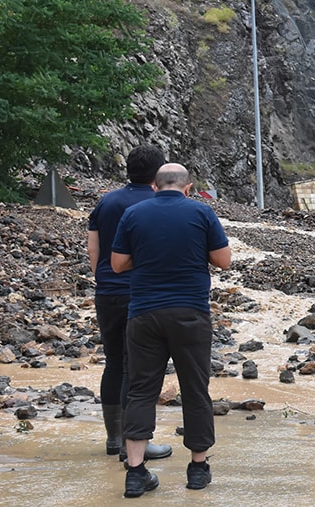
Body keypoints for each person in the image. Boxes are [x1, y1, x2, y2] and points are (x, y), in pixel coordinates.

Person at [111, 163, 232, 498]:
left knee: (140, 391)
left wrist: (148, 258)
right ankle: (197, 470)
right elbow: (224, 261)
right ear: (188, 187)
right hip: (190, 314)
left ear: (154, 187)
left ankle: (135, 474)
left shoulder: (134, 214)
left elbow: (118, 264)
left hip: (144, 315)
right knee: (195, 389)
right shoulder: (202, 213)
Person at [86, 144, 173, 463]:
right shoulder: (158, 203)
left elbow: (94, 249)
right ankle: (132, 442)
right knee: (139, 369)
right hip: (143, 293)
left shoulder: (106, 200)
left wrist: (104, 278)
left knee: (114, 362)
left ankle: (113, 439)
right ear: (159, 173)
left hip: (108, 291)